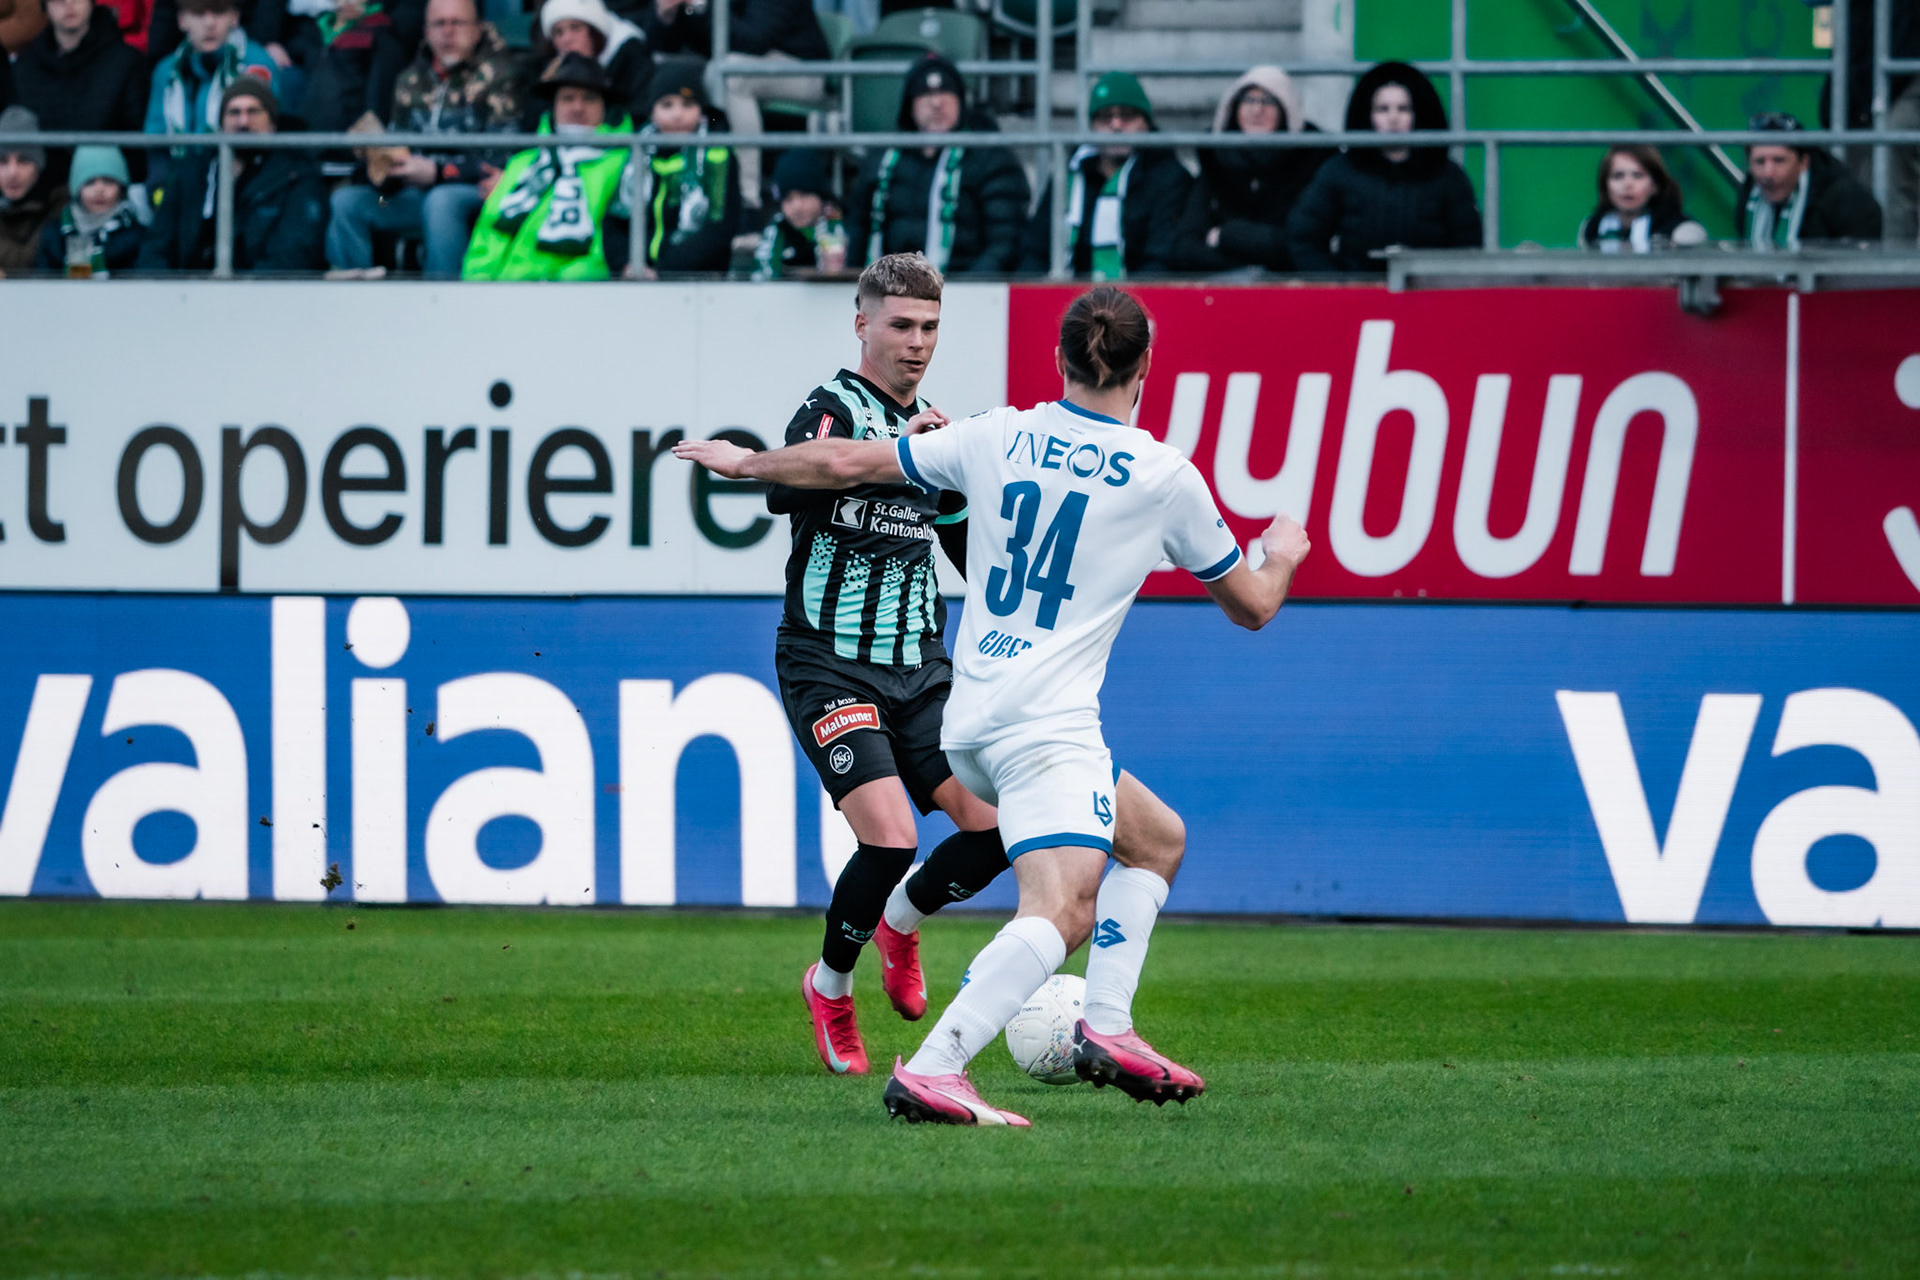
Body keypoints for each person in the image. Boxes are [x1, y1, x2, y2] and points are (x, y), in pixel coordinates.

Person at [676, 286, 1311, 1126]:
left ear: (1058, 360)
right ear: (1147, 366)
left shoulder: (996, 432)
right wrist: (1284, 552)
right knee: (1063, 907)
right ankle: (938, 1066)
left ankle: (1107, 1025)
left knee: (1156, 840)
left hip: (967, 712)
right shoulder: (1165, 476)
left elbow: (840, 464)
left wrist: (744, 462)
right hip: (1043, 727)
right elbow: (1254, 605)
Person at [328, 0, 522, 277]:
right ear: (426, 31)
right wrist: (383, 164)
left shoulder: (503, 76)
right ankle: (351, 299)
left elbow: (502, 159)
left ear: (478, 29)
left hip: (477, 195)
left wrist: (438, 172)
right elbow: (397, 143)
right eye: (439, 24)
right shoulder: (410, 79)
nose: (447, 32)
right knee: (349, 202)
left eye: (458, 22)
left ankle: (443, 303)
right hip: (410, 196)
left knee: (441, 201)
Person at [1285, 60, 1480, 273]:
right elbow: (1304, 238)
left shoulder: (1448, 175)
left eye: (1403, 108)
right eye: (1382, 109)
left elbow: (1467, 246)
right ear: (1368, 114)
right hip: (1358, 295)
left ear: (1419, 114)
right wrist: (1339, 285)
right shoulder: (1339, 170)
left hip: (1426, 295)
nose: (1393, 117)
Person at [638, 0, 828, 212]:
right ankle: (683, 184)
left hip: (805, 69)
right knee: (693, 77)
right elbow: (658, 50)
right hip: (733, 72)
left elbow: (754, 40)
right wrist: (666, 13)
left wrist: (700, 6)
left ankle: (747, 198)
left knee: (730, 75)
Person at [461, 51, 637, 280]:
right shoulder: (523, 162)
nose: (577, 107)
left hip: (573, 300)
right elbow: (487, 234)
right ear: (553, 107)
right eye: (567, 98)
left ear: (606, 108)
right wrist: (476, 282)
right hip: (497, 293)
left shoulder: (625, 161)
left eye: (589, 98)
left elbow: (617, 237)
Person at [847, 52, 1027, 275]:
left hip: (966, 293)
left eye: (946, 93)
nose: (937, 103)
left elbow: (1005, 241)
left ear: (961, 102)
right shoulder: (881, 160)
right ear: (909, 105)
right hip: (888, 293)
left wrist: (967, 290)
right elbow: (857, 229)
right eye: (926, 94)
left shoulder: (989, 157)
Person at [138, 78, 328, 270]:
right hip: (188, 291)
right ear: (221, 124)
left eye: (253, 111)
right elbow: (156, 247)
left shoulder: (296, 176)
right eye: (234, 112)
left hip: (261, 292)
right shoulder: (192, 172)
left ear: (272, 124)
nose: (243, 122)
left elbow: (294, 255)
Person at [1018, 71, 1190, 279]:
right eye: (1105, 117)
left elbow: (1162, 261)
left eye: (1127, 116)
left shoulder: (1168, 176)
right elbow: (1035, 250)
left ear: (1146, 123)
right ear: (1092, 125)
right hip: (1067, 300)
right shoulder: (1070, 174)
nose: (1116, 125)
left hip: (1138, 303)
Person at [1173, 65, 1331, 275]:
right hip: (1226, 291)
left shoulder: (1312, 163)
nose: (1256, 110)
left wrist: (1227, 235)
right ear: (1233, 108)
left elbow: (1299, 246)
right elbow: (1186, 248)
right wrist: (1250, 267)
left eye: (1268, 101)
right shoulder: (1215, 161)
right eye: (1248, 100)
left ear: (1287, 111)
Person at [621, 55, 738, 276]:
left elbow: (720, 229)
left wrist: (664, 272)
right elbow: (616, 221)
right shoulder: (636, 154)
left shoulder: (718, 155)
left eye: (688, 104)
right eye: (667, 105)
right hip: (637, 276)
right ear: (652, 113)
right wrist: (627, 264)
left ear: (701, 111)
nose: (677, 114)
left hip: (700, 283)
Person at [12, 0, 149, 184]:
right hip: (40, 192)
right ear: (45, 7)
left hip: (105, 189)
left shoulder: (125, 62)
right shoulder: (25, 67)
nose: (68, 4)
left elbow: (137, 141)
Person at [144, 0, 277, 186]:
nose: (209, 24)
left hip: (244, 184)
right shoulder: (166, 70)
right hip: (180, 184)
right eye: (199, 14)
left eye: (219, 12)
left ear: (234, 17)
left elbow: (271, 135)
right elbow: (156, 141)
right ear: (182, 20)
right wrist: (162, 191)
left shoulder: (257, 64)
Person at [1739, 111, 1882, 249]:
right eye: (1759, 161)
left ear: (1803, 162)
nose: (1768, 173)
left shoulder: (1846, 200)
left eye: (1779, 161)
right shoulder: (1751, 192)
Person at [525, 0, 651, 129]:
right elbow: (531, 127)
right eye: (558, 32)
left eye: (575, 27)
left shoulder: (629, 59)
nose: (566, 39)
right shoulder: (544, 70)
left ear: (594, 32)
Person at [36, 142, 142, 271]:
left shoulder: (137, 237)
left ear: (121, 188)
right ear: (77, 189)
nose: (99, 190)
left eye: (108, 181)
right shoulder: (54, 234)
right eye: (90, 182)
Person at [1575, 145, 1704, 252]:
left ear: (1655, 185)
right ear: (1605, 185)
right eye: (1618, 176)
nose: (1627, 185)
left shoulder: (1683, 230)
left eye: (1638, 175)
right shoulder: (1590, 228)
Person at [748, 145, 844, 278]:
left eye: (804, 195)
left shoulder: (843, 226)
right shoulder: (777, 230)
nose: (797, 206)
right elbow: (761, 281)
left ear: (821, 197)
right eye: (788, 198)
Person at [0, 106, 66, 274]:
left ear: (38, 165)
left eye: (23, 160)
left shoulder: (58, 201)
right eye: (2, 161)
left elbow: (28, 260)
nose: (12, 172)